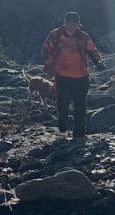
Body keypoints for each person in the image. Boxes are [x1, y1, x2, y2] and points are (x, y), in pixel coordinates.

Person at [41, 11, 106, 139]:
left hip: (81, 76)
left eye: (74, 23)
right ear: (64, 22)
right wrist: (49, 65)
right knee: (62, 103)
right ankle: (62, 124)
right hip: (62, 75)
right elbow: (45, 50)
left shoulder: (83, 37)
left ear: (78, 24)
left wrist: (98, 62)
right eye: (69, 22)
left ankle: (79, 134)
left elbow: (92, 51)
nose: (72, 25)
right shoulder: (55, 35)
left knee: (80, 105)